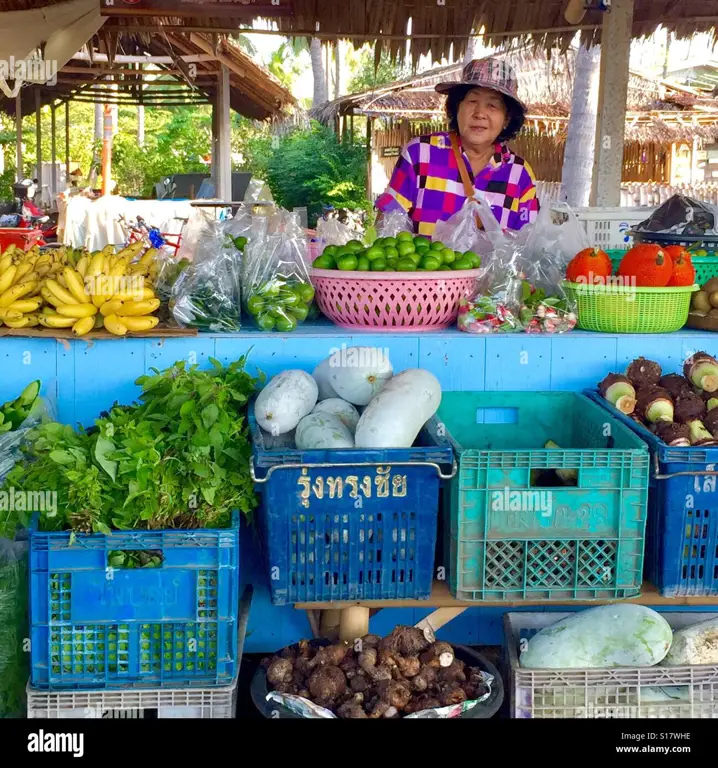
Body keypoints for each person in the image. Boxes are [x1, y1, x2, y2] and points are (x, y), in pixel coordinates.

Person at [375, 57, 539, 238]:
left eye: (492, 105)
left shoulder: (519, 174)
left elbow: (528, 244)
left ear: (507, 119)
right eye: (472, 101)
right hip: (423, 267)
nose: (479, 113)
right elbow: (386, 222)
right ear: (456, 108)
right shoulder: (420, 154)